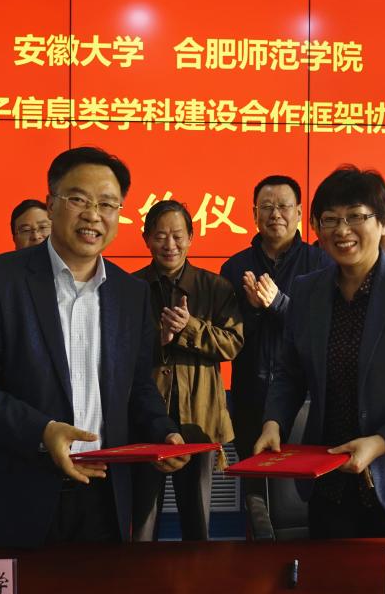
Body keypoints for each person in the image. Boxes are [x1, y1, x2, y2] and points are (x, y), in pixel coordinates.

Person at [0, 146, 190, 547]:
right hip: (13, 491)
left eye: (107, 204)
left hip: (102, 497)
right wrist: (43, 431)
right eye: (78, 199)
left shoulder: (131, 293)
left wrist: (162, 432)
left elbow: (138, 387)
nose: (93, 214)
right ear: (51, 204)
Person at [255, 165, 385, 538]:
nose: (342, 230)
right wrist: (274, 422)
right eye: (330, 219)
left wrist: (384, 443)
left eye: (356, 217)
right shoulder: (307, 291)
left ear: (383, 223)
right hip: (330, 476)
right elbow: (290, 372)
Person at [131, 200, 244, 541]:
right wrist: (159, 340)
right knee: (141, 522)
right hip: (146, 421)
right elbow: (119, 354)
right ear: (146, 239)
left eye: (178, 236)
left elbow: (233, 344)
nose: (170, 244)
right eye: (160, 236)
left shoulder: (216, 287)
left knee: (197, 522)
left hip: (199, 420)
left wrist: (189, 328)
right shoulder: (131, 288)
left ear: (192, 238)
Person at [220, 175, 332, 469]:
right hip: (249, 397)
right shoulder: (234, 267)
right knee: (254, 482)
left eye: (284, 206)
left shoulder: (321, 264)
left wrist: (279, 304)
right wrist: (254, 310)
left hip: (306, 397)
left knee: (303, 481)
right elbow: (228, 339)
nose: (275, 214)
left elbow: (323, 331)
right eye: (267, 207)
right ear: (254, 213)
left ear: (299, 212)